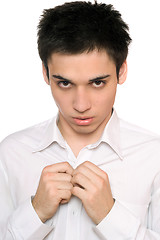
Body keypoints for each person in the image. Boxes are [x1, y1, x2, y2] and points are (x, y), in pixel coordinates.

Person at [0, 1, 160, 239]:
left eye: (97, 83)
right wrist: (36, 212)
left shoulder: (153, 156)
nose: (81, 105)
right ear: (45, 74)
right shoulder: (11, 153)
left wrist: (110, 216)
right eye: (64, 83)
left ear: (122, 71)